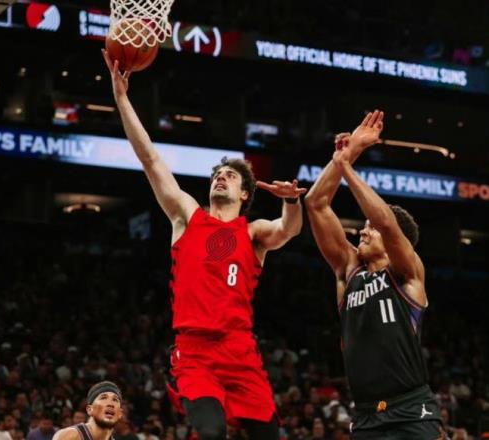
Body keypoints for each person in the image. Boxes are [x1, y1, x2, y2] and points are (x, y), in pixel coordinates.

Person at [102, 51, 306, 440]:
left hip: (240, 351)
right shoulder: (187, 216)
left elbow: (288, 230)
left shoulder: (253, 232)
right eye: (217, 175)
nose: (221, 178)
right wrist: (122, 98)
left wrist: (292, 202)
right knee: (211, 432)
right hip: (195, 351)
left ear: (244, 194)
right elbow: (150, 158)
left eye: (230, 176)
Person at [305, 111, 444, 439]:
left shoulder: (408, 274)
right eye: (363, 228)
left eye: (370, 229)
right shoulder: (349, 271)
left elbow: (385, 222)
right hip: (366, 414)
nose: (363, 232)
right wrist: (346, 155)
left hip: (411, 410)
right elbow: (316, 203)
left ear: (398, 242)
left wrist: (347, 169)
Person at [52, 381, 123, 440]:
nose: (110, 404)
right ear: (89, 409)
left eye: (115, 400)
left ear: (120, 413)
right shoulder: (69, 436)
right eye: (103, 398)